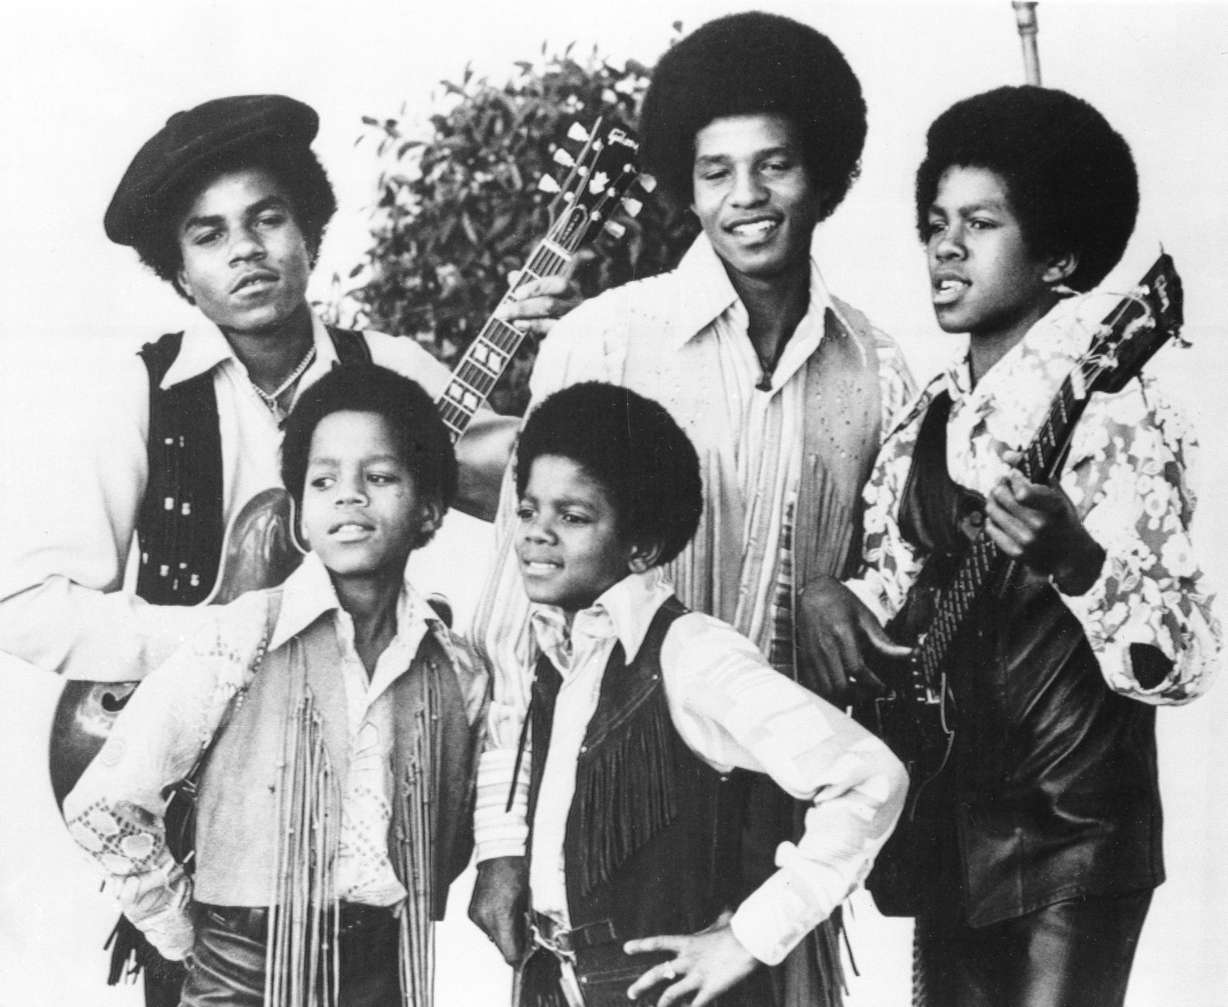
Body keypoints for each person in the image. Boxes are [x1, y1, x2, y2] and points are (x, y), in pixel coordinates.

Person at [0, 93, 571, 1004]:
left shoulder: (387, 368)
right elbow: (25, 604)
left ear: (309, 230)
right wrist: (222, 640)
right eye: (209, 233)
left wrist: (564, 357)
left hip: (360, 783)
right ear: (180, 270)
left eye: (268, 218)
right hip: (206, 791)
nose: (246, 249)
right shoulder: (142, 391)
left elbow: (531, 488)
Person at [468, 15, 914, 1004]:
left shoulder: (876, 367)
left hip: (781, 816)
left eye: (775, 165)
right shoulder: (604, 340)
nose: (746, 199)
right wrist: (502, 837)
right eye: (716, 172)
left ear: (824, 170)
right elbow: (518, 611)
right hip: (616, 815)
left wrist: (857, 588)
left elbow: (894, 575)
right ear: (685, 181)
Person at [799, 86, 1221, 1006]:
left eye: (981, 223)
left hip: (1073, 832)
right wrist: (830, 597)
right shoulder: (925, 420)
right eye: (936, 221)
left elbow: (1184, 661)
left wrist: (1076, 559)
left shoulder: (1112, 407)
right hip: (947, 824)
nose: (944, 245)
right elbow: (893, 610)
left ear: (1060, 254)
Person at [473, 382, 906, 1007]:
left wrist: (748, 939)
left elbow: (871, 776)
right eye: (528, 510)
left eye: (572, 517)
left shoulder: (691, 652)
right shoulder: (558, 649)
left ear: (641, 547)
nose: (537, 534)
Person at [64, 364, 485, 1007]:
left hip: (385, 976)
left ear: (429, 514)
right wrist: (182, 937)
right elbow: (102, 804)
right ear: (302, 515)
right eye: (324, 481)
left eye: (378, 477)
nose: (349, 496)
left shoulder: (457, 666)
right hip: (238, 976)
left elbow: (464, 822)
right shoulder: (242, 637)